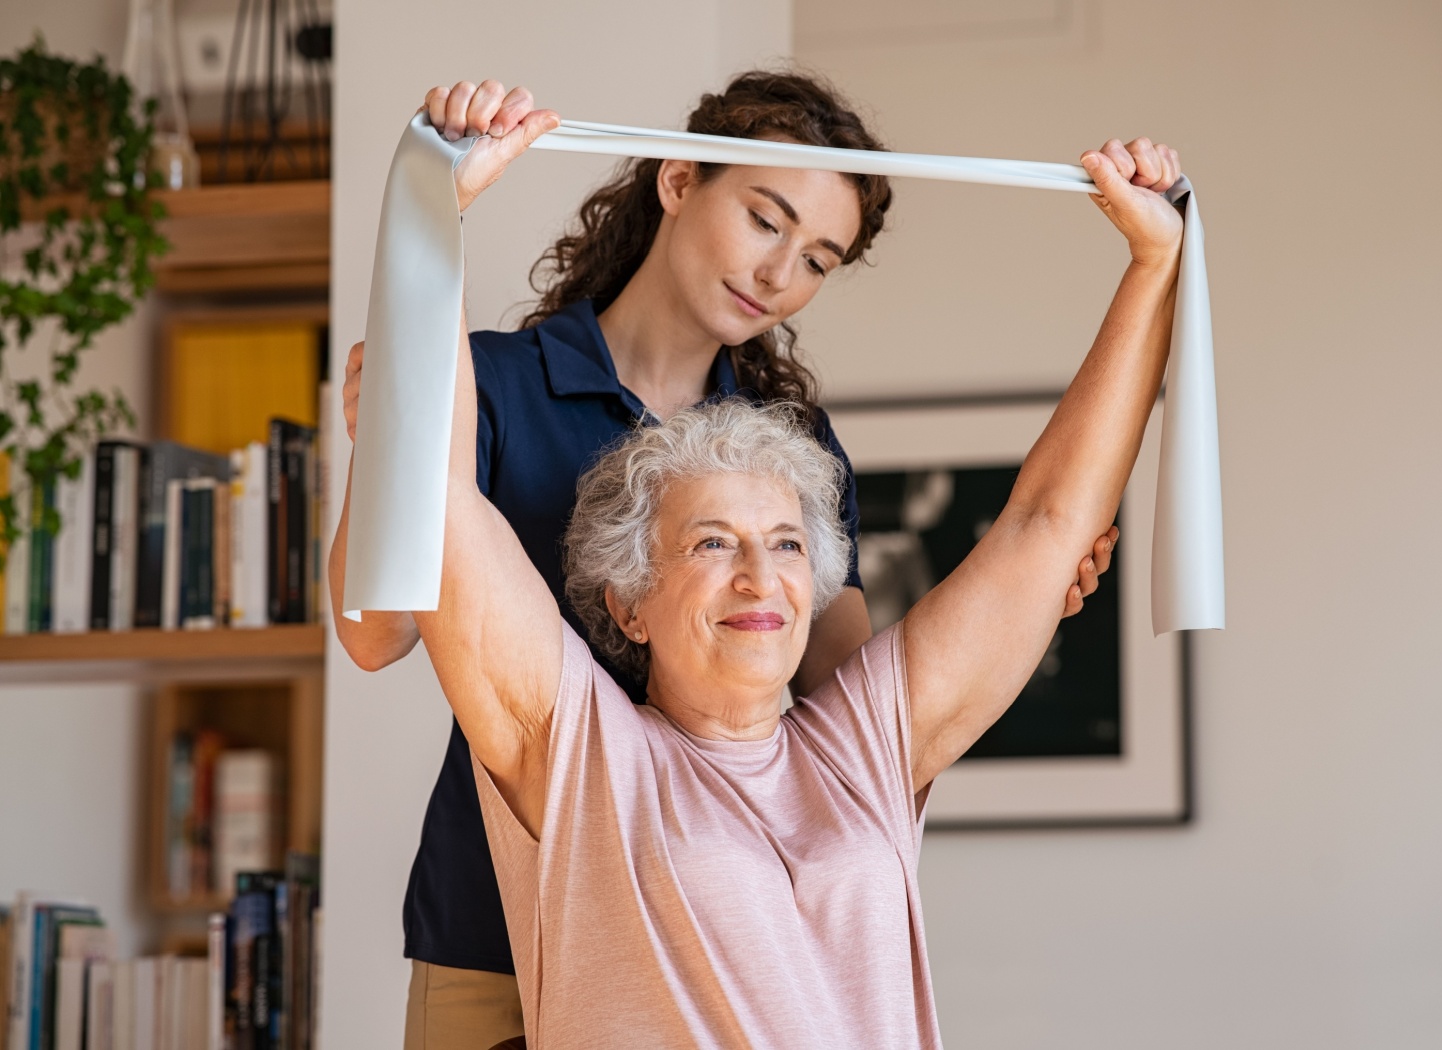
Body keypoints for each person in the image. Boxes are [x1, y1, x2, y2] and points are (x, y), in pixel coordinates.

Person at [329, 84, 1182, 1046]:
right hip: (514, 900)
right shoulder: (495, 389)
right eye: (765, 219)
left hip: (755, 896)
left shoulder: (795, 450)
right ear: (680, 181)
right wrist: (410, 362)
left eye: (817, 258)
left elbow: (865, 665)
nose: (779, 270)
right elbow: (382, 620)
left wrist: (1016, 611)